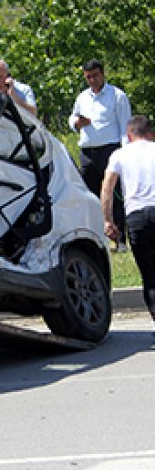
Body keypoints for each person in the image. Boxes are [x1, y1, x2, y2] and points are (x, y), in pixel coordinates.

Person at [72, 59, 133, 250]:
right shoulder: (82, 97)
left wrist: (125, 153)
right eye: (88, 77)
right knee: (90, 196)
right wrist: (77, 124)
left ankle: (120, 239)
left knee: (114, 194)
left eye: (95, 76)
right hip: (88, 152)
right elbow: (73, 118)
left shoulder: (117, 96)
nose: (92, 80)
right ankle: (97, 238)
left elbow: (125, 126)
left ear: (102, 74)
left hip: (110, 150)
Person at [102, 115, 155, 320]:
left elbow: (107, 187)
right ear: (150, 133)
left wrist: (108, 220)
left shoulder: (119, 155)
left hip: (136, 216)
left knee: (149, 274)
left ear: (129, 135)